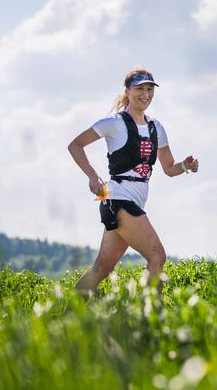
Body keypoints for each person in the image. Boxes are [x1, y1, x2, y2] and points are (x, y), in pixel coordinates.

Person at [68, 67, 199, 300]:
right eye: (140, 89)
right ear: (127, 91)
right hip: (119, 199)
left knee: (102, 268)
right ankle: (149, 319)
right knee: (157, 256)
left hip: (131, 201)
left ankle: (66, 318)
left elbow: (169, 168)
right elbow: (75, 145)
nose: (145, 94)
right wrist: (93, 175)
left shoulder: (156, 127)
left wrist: (186, 166)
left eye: (149, 89)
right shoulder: (113, 122)